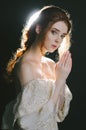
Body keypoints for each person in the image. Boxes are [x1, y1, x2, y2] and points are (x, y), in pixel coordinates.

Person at [1, 5, 73, 130]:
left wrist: (63, 78)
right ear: (39, 28)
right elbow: (30, 124)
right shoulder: (25, 65)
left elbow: (58, 115)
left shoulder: (51, 64)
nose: (58, 40)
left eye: (62, 35)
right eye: (54, 32)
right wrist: (60, 80)